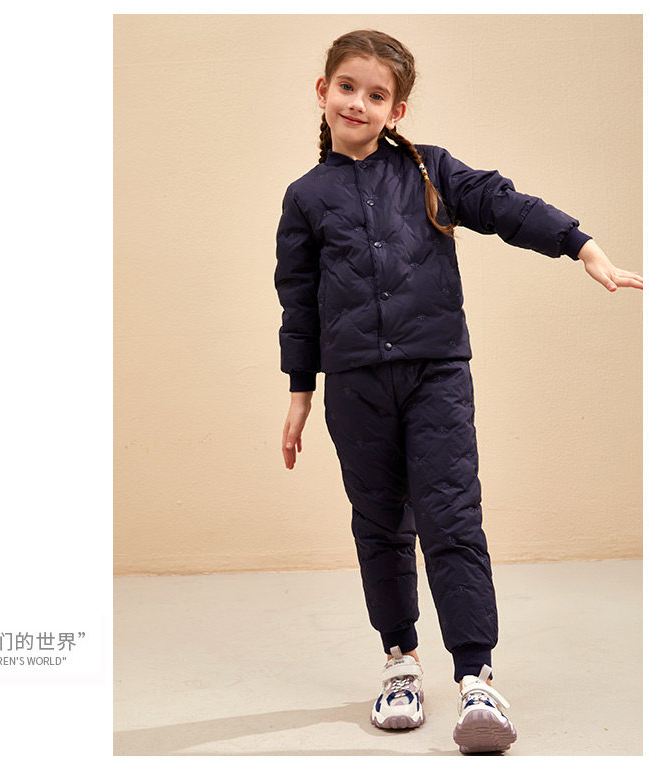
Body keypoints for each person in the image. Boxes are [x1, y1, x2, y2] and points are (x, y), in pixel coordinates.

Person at [273, 29, 642, 755]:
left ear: (397, 110)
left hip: (436, 374)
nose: (358, 103)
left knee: (451, 516)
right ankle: (400, 664)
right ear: (323, 91)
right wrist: (299, 392)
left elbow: (503, 204)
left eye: (376, 94)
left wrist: (580, 245)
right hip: (354, 385)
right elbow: (298, 300)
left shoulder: (432, 170)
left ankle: (477, 678)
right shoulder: (305, 197)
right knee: (380, 523)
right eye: (347, 87)